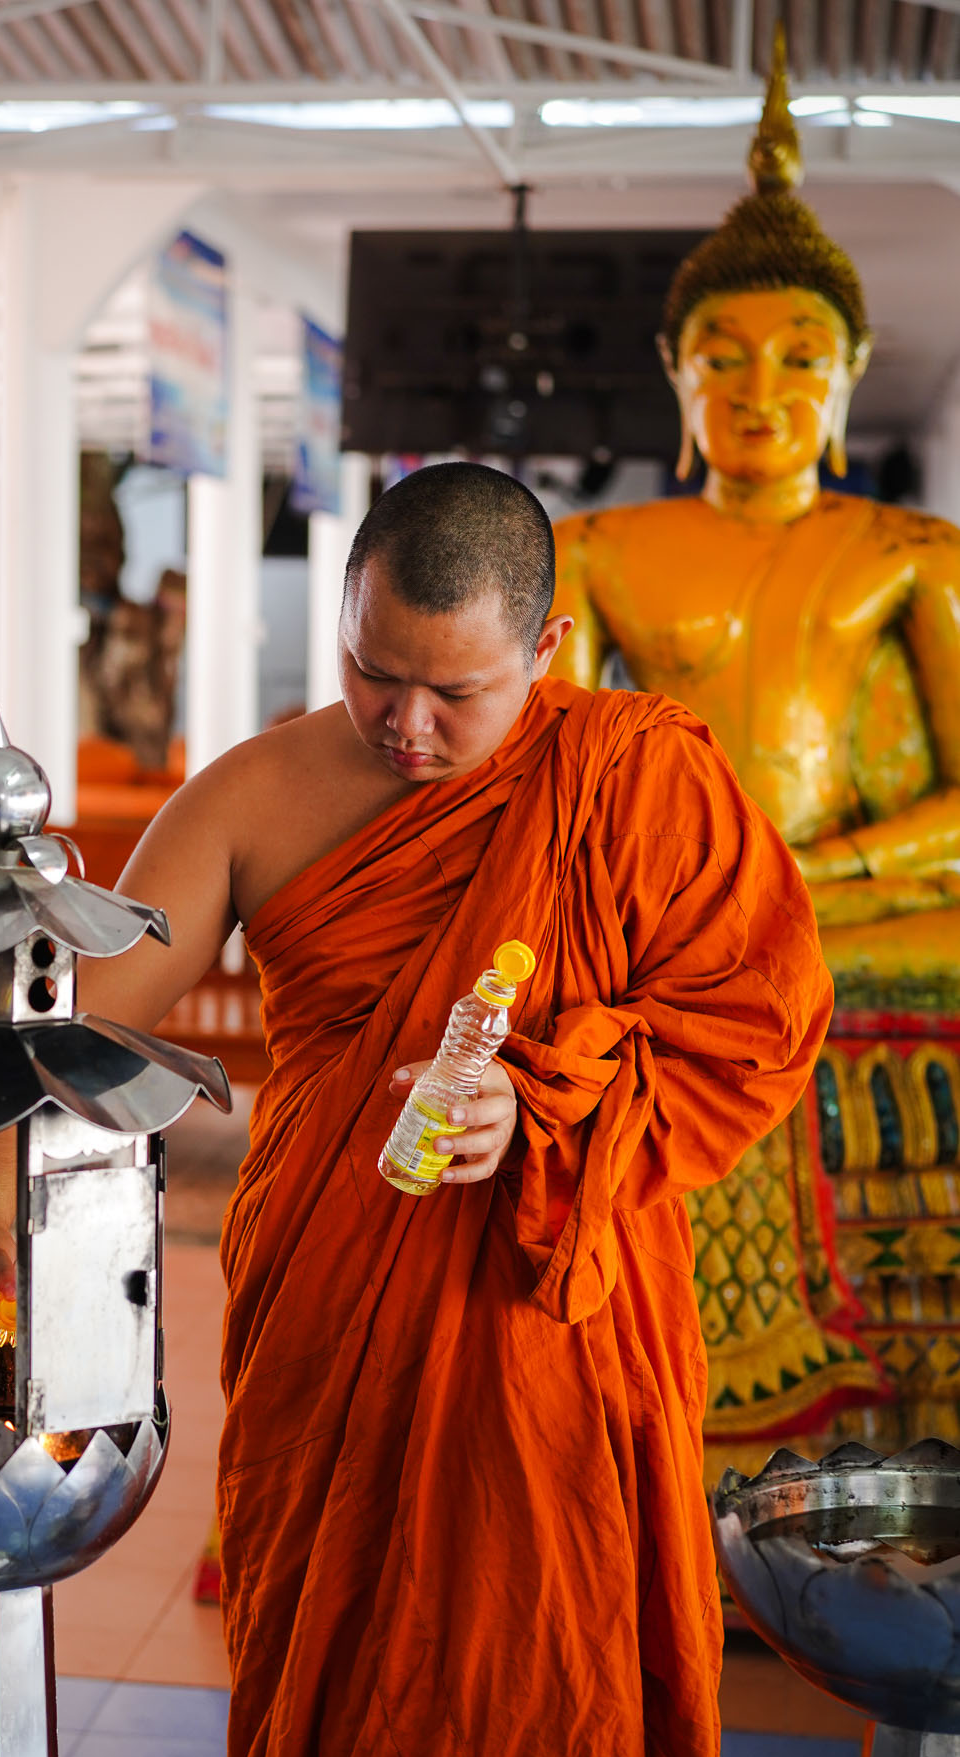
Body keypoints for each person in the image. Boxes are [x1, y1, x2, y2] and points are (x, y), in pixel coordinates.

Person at [0, 460, 833, 1757]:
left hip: (548, 1342)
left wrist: (546, 1104)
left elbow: (759, 1025)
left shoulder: (633, 774)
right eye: (372, 672)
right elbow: (88, 1032)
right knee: (358, 1719)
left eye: (455, 694)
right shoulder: (249, 795)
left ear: (547, 651)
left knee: (560, 1726)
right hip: (332, 1318)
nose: (404, 725)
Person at [551, 33, 960, 1461]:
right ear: (675, 375)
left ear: (849, 377)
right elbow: (551, 772)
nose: (758, 388)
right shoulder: (595, 548)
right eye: (720, 357)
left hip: (845, 888)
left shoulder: (913, 552)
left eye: (800, 357)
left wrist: (808, 875)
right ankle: (609, 1375)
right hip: (662, 903)